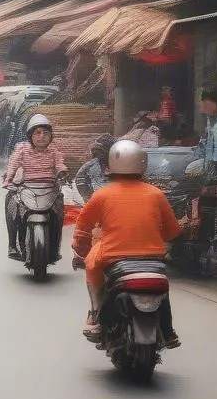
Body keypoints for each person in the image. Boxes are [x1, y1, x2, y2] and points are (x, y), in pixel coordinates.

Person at [72, 140, 183, 347]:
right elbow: (172, 231)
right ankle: (168, 332)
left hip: (113, 257)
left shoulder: (102, 194)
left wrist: (80, 248)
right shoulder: (156, 194)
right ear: (143, 165)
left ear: (111, 166)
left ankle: (96, 315)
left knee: (91, 264)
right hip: (153, 260)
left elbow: (82, 228)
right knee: (163, 289)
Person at [2, 114, 68, 260]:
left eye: (45, 133)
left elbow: (60, 165)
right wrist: (9, 178)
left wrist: (62, 171)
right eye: (37, 133)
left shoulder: (54, 152)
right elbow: (13, 164)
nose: (41, 136)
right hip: (27, 188)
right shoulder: (22, 149)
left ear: (51, 136)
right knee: (11, 204)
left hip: (49, 188)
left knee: (59, 215)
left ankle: (55, 248)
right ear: (30, 135)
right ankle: (12, 245)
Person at [75, 134, 117, 204]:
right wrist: (89, 198)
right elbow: (80, 180)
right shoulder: (90, 166)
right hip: (97, 202)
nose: (96, 153)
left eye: (100, 151)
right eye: (95, 151)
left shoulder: (121, 166)